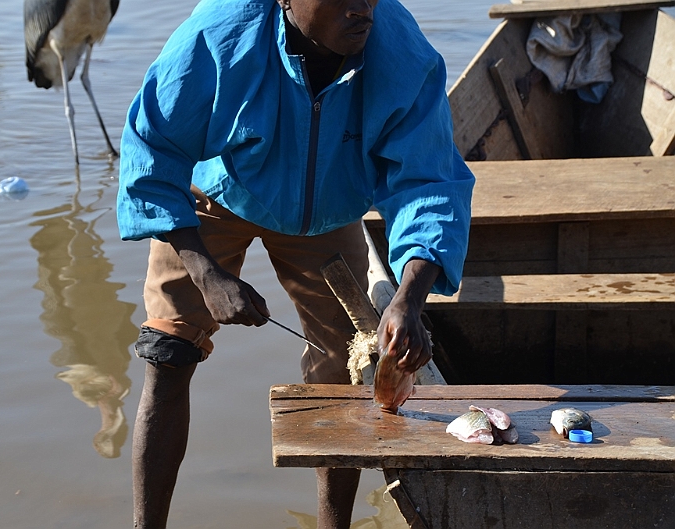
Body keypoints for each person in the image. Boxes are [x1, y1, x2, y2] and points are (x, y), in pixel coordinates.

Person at [116, 0, 475, 525]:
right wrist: (206, 272)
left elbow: (429, 183)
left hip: (330, 209)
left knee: (344, 372)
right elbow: (152, 149)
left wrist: (408, 299)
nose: (362, 9)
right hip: (218, 196)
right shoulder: (218, 35)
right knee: (168, 352)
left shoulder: (402, 54)